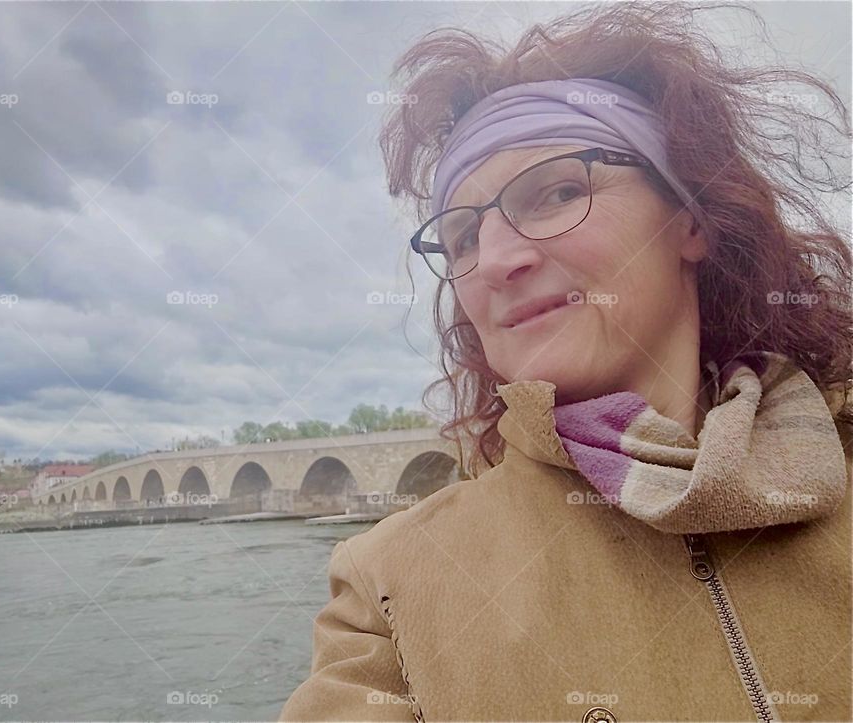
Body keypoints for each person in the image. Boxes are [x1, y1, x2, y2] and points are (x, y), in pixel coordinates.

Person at [279, 3, 852, 722]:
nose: (494, 261)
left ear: (692, 219)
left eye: (556, 192)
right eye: (461, 239)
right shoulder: (391, 587)